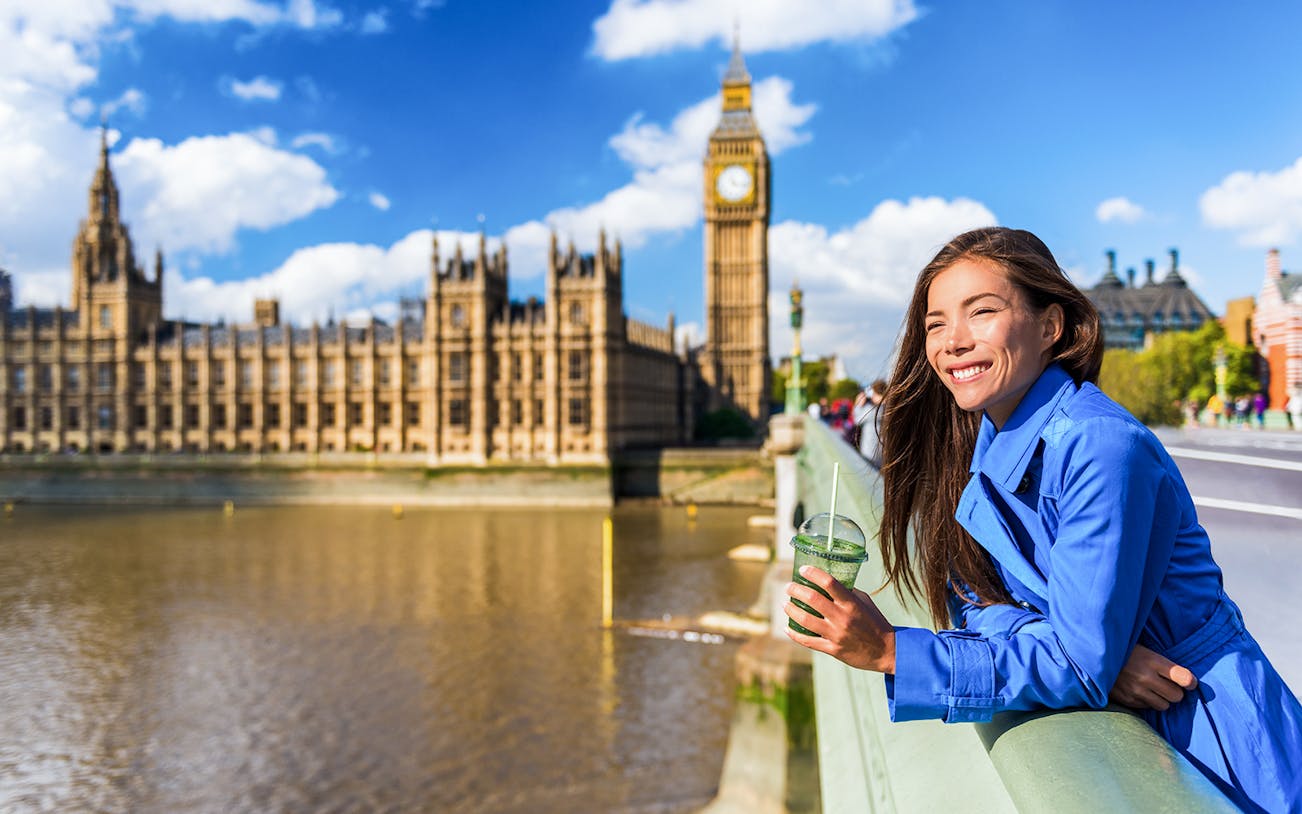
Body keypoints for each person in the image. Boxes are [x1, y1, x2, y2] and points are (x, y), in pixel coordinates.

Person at [784, 227, 1302, 811]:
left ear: (1051, 326)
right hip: (1143, 724)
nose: (952, 341)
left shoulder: (1098, 445)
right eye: (935, 323)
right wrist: (1103, 654)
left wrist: (894, 652)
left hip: (1215, 731)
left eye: (982, 312)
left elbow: (1077, 667)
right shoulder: (981, 445)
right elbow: (975, 605)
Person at [852, 379, 887, 468]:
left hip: (870, 454)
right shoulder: (889, 408)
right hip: (883, 455)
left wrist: (858, 405)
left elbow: (857, 420)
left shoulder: (872, 410)